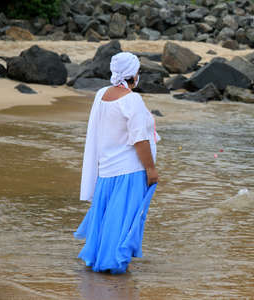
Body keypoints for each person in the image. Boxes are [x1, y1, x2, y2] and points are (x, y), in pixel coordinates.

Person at [74, 52, 160, 274]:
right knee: (122, 220)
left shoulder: (102, 94)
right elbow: (139, 139)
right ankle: (113, 265)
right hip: (129, 171)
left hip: (107, 169)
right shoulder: (132, 100)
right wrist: (151, 169)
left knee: (108, 218)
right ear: (133, 74)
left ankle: (99, 262)